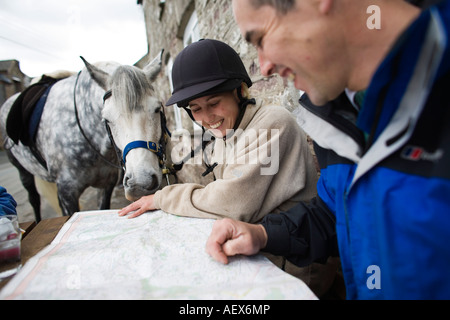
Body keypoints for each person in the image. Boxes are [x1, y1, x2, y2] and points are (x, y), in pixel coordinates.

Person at [206, 0, 450, 299]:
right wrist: (263, 234)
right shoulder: (333, 115)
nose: (265, 66)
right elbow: (338, 213)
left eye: (260, 39)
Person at [118, 39, 338, 296]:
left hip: (293, 271)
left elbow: (231, 204)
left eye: (213, 103)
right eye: (195, 109)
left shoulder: (273, 125)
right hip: (258, 257)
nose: (206, 118)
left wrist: (162, 197)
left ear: (240, 91)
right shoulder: (225, 134)